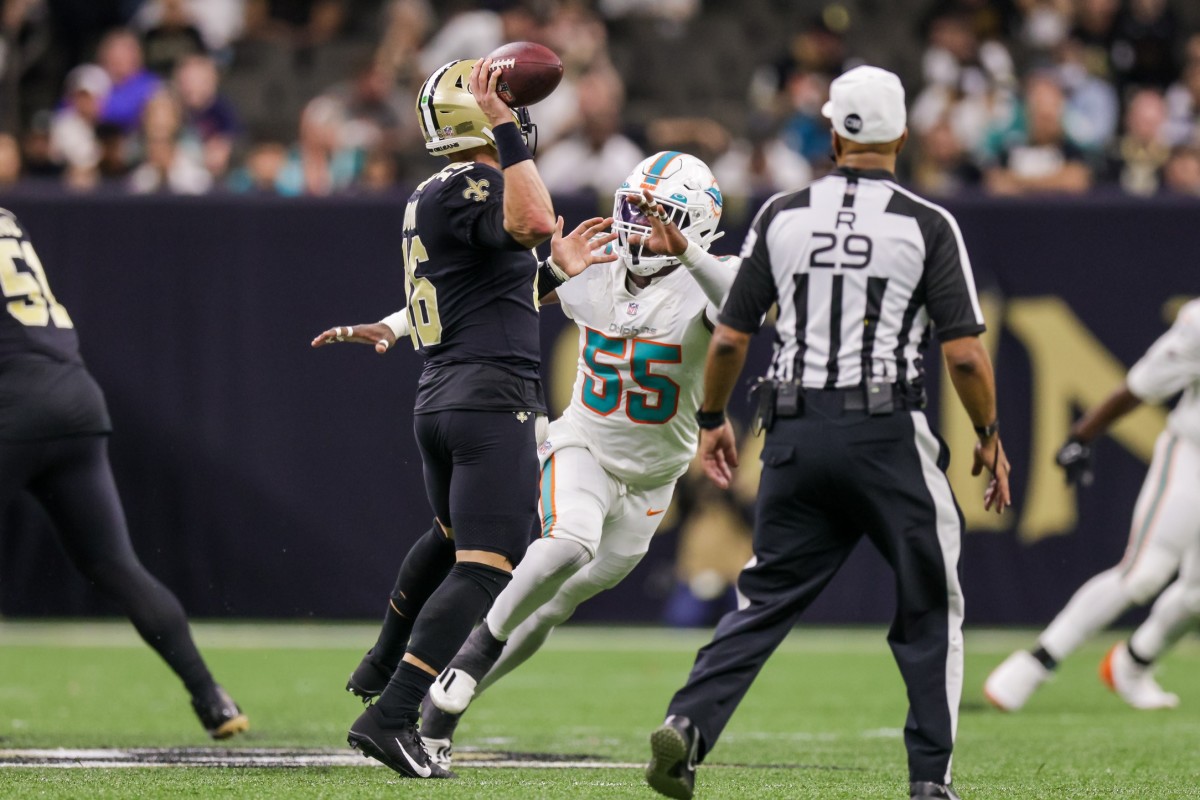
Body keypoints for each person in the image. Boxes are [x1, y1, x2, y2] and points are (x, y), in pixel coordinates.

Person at [642, 65, 1011, 800]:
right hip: (885, 432)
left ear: (833, 131)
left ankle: (687, 723)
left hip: (793, 432)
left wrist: (713, 420)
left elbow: (728, 341)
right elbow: (965, 351)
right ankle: (929, 780)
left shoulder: (782, 214)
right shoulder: (927, 222)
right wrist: (990, 432)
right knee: (931, 601)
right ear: (902, 135)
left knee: (764, 597)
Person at [409, 152, 738, 769]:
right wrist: (395, 325)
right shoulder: (597, 266)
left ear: (694, 227)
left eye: (660, 216)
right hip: (581, 445)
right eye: (635, 211)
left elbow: (746, 305)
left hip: (652, 482)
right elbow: (479, 301)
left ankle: (450, 694)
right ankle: (462, 670)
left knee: (556, 603)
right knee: (570, 541)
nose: (641, 228)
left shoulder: (711, 278)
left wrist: (689, 254)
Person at [310, 57, 566, 780]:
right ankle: (393, 714)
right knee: (488, 568)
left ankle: (384, 656)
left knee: (452, 537)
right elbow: (537, 219)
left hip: (447, 393)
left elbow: (499, 285)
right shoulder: (481, 178)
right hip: (490, 398)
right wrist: (508, 132)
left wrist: (558, 271)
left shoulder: (439, 188)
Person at [0, 208, 247, 740]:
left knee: (112, 562)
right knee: (115, 564)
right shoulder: (7, 219)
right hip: (75, 398)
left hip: (12, 404)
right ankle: (212, 697)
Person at [984, 300, 1200, 713]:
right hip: (1192, 456)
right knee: (1144, 575)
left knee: (1197, 595)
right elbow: (1141, 385)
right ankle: (1034, 663)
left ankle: (1132, 664)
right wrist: (1081, 436)